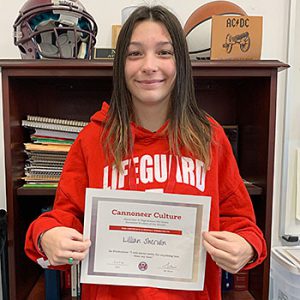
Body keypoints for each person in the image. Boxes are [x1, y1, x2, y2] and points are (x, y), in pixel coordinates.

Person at [25, 5, 267, 300]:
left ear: (181, 62)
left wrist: (246, 246)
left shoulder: (210, 137)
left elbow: (242, 224)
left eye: (164, 52)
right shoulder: (93, 139)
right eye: (135, 53)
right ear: (120, 65)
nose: (149, 65)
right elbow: (62, 217)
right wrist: (46, 236)